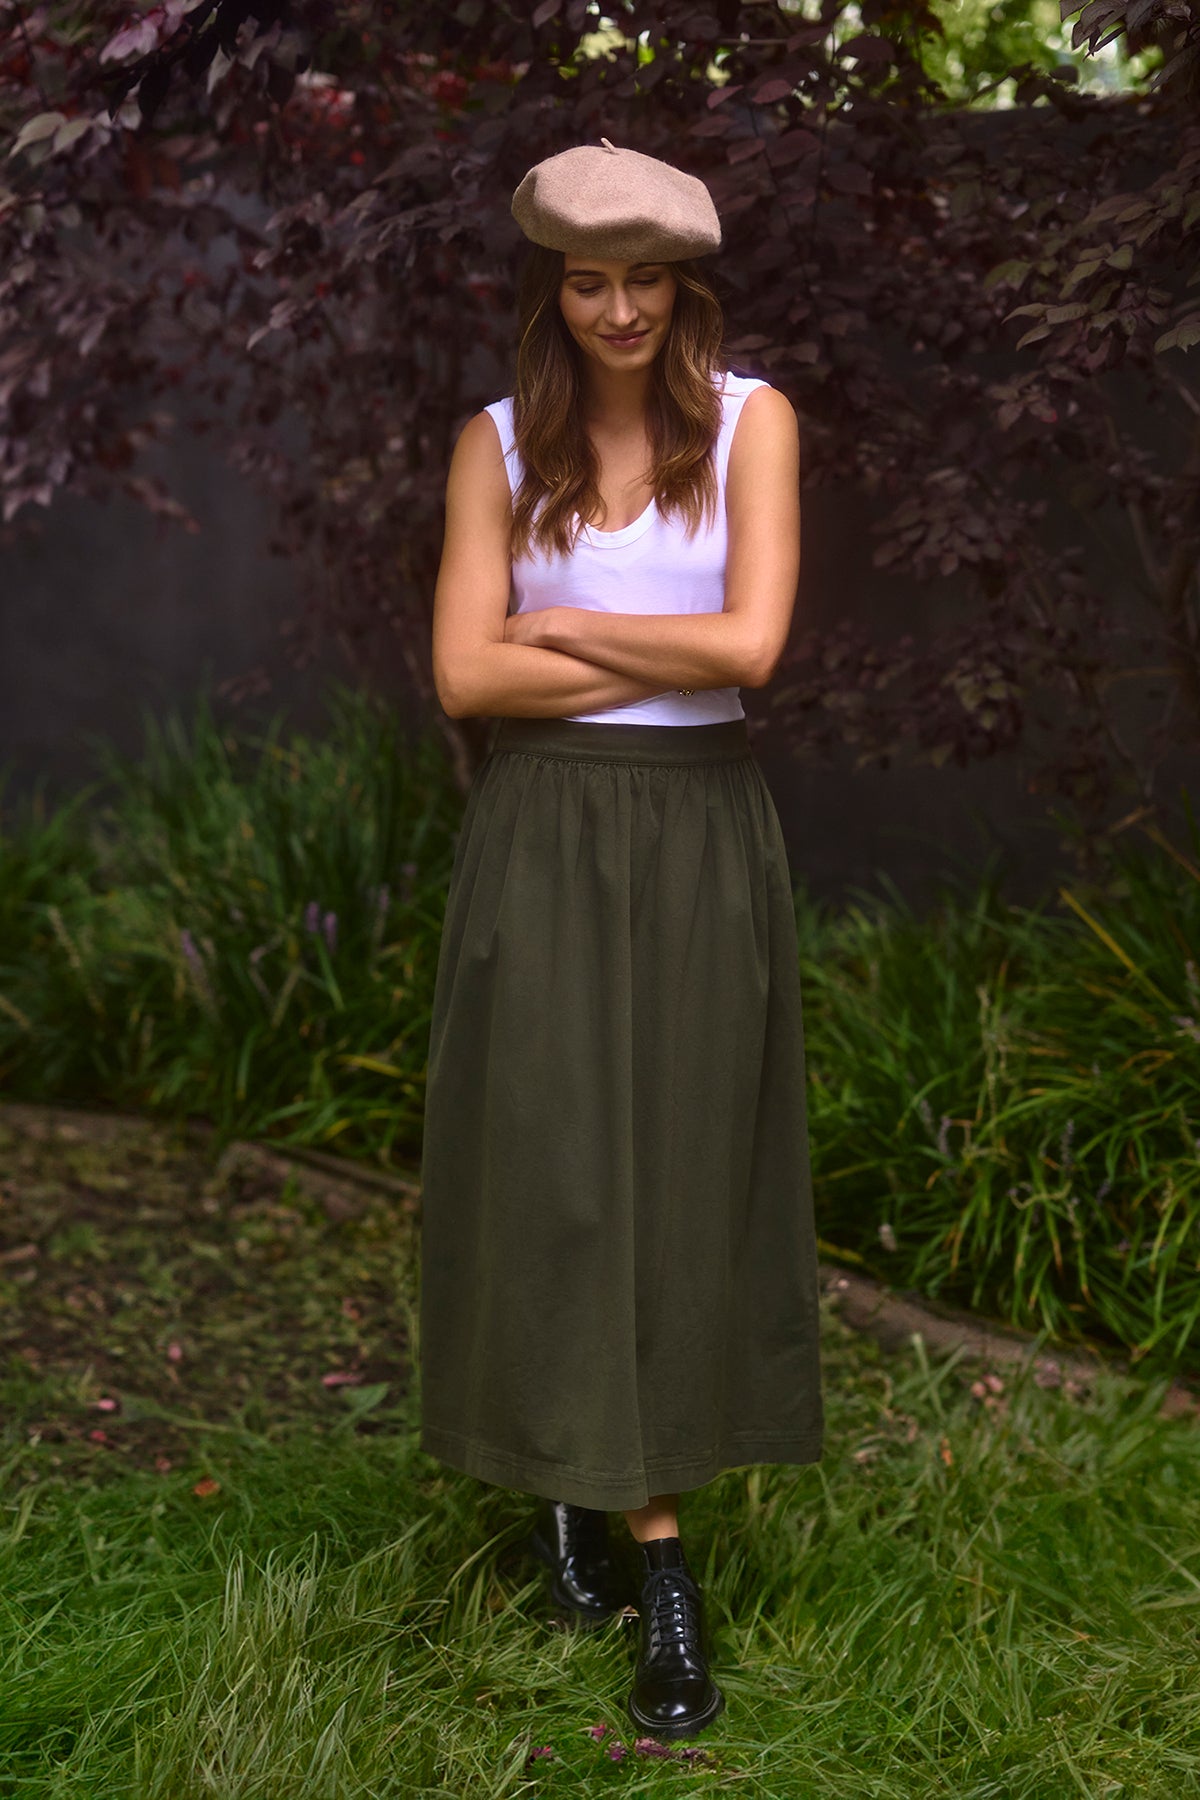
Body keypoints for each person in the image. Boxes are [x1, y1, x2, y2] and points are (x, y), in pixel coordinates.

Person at [419, 138, 824, 1742]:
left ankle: (631, 1525)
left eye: (646, 276)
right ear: (551, 287)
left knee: (674, 1170)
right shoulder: (495, 445)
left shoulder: (755, 424)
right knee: (556, 1167)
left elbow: (754, 645)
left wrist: (562, 624)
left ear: (687, 282)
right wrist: (645, 654)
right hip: (542, 838)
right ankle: (603, 1519)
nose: (619, 307)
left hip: (702, 837)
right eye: (588, 279)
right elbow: (462, 683)